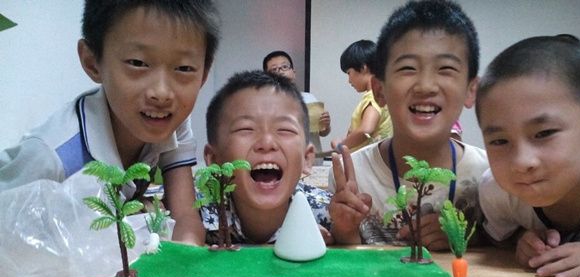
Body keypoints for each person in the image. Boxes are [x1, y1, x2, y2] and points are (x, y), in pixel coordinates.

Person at [0, 0, 219, 245]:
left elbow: (185, 216)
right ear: (92, 62)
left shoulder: (174, 123)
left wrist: (185, 256)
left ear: (204, 73)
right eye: (138, 63)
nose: (161, 93)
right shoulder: (52, 157)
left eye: (184, 68)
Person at [329, 0, 488, 248]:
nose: (426, 86)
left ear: (470, 90)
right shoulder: (355, 175)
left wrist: (466, 237)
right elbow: (347, 256)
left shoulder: (489, 175)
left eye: (446, 68)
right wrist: (344, 230)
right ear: (379, 90)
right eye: (408, 68)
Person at [476, 35, 580, 277]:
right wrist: (519, 239)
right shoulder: (498, 194)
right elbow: (499, 237)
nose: (522, 162)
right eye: (500, 141)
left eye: (544, 133)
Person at [201, 70, 333, 245]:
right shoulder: (195, 213)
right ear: (214, 159)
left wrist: (347, 235)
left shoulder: (330, 214)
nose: (267, 142)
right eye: (245, 129)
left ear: (307, 158)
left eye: (284, 130)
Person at [263, 50, 331, 157]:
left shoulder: (309, 98)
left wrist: (326, 125)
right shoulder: (264, 104)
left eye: (284, 67)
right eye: (274, 69)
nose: (280, 71)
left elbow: (323, 132)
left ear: (293, 72)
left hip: (313, 160)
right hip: (282, 160)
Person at [331, 39, 392, 153]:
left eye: (349, 73)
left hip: (367, 161)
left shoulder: (373, 96)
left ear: (363, 68)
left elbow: (366, 130)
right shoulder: (384, 95)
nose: (349, 80)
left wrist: (340, 146)